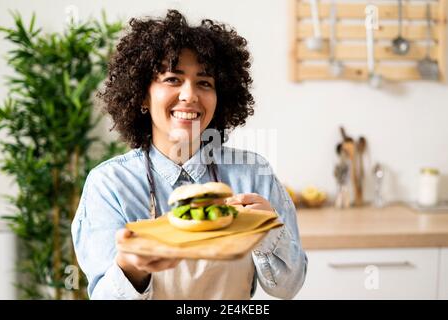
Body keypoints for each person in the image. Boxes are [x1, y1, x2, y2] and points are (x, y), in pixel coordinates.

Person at [71, 9, 307, 300]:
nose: (189, 95)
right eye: (172, 79)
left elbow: (289, 288)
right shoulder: (109, 184)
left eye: (204, 83)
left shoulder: (252, 173)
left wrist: (268, 233)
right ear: (142, 95)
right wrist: (131, 267)